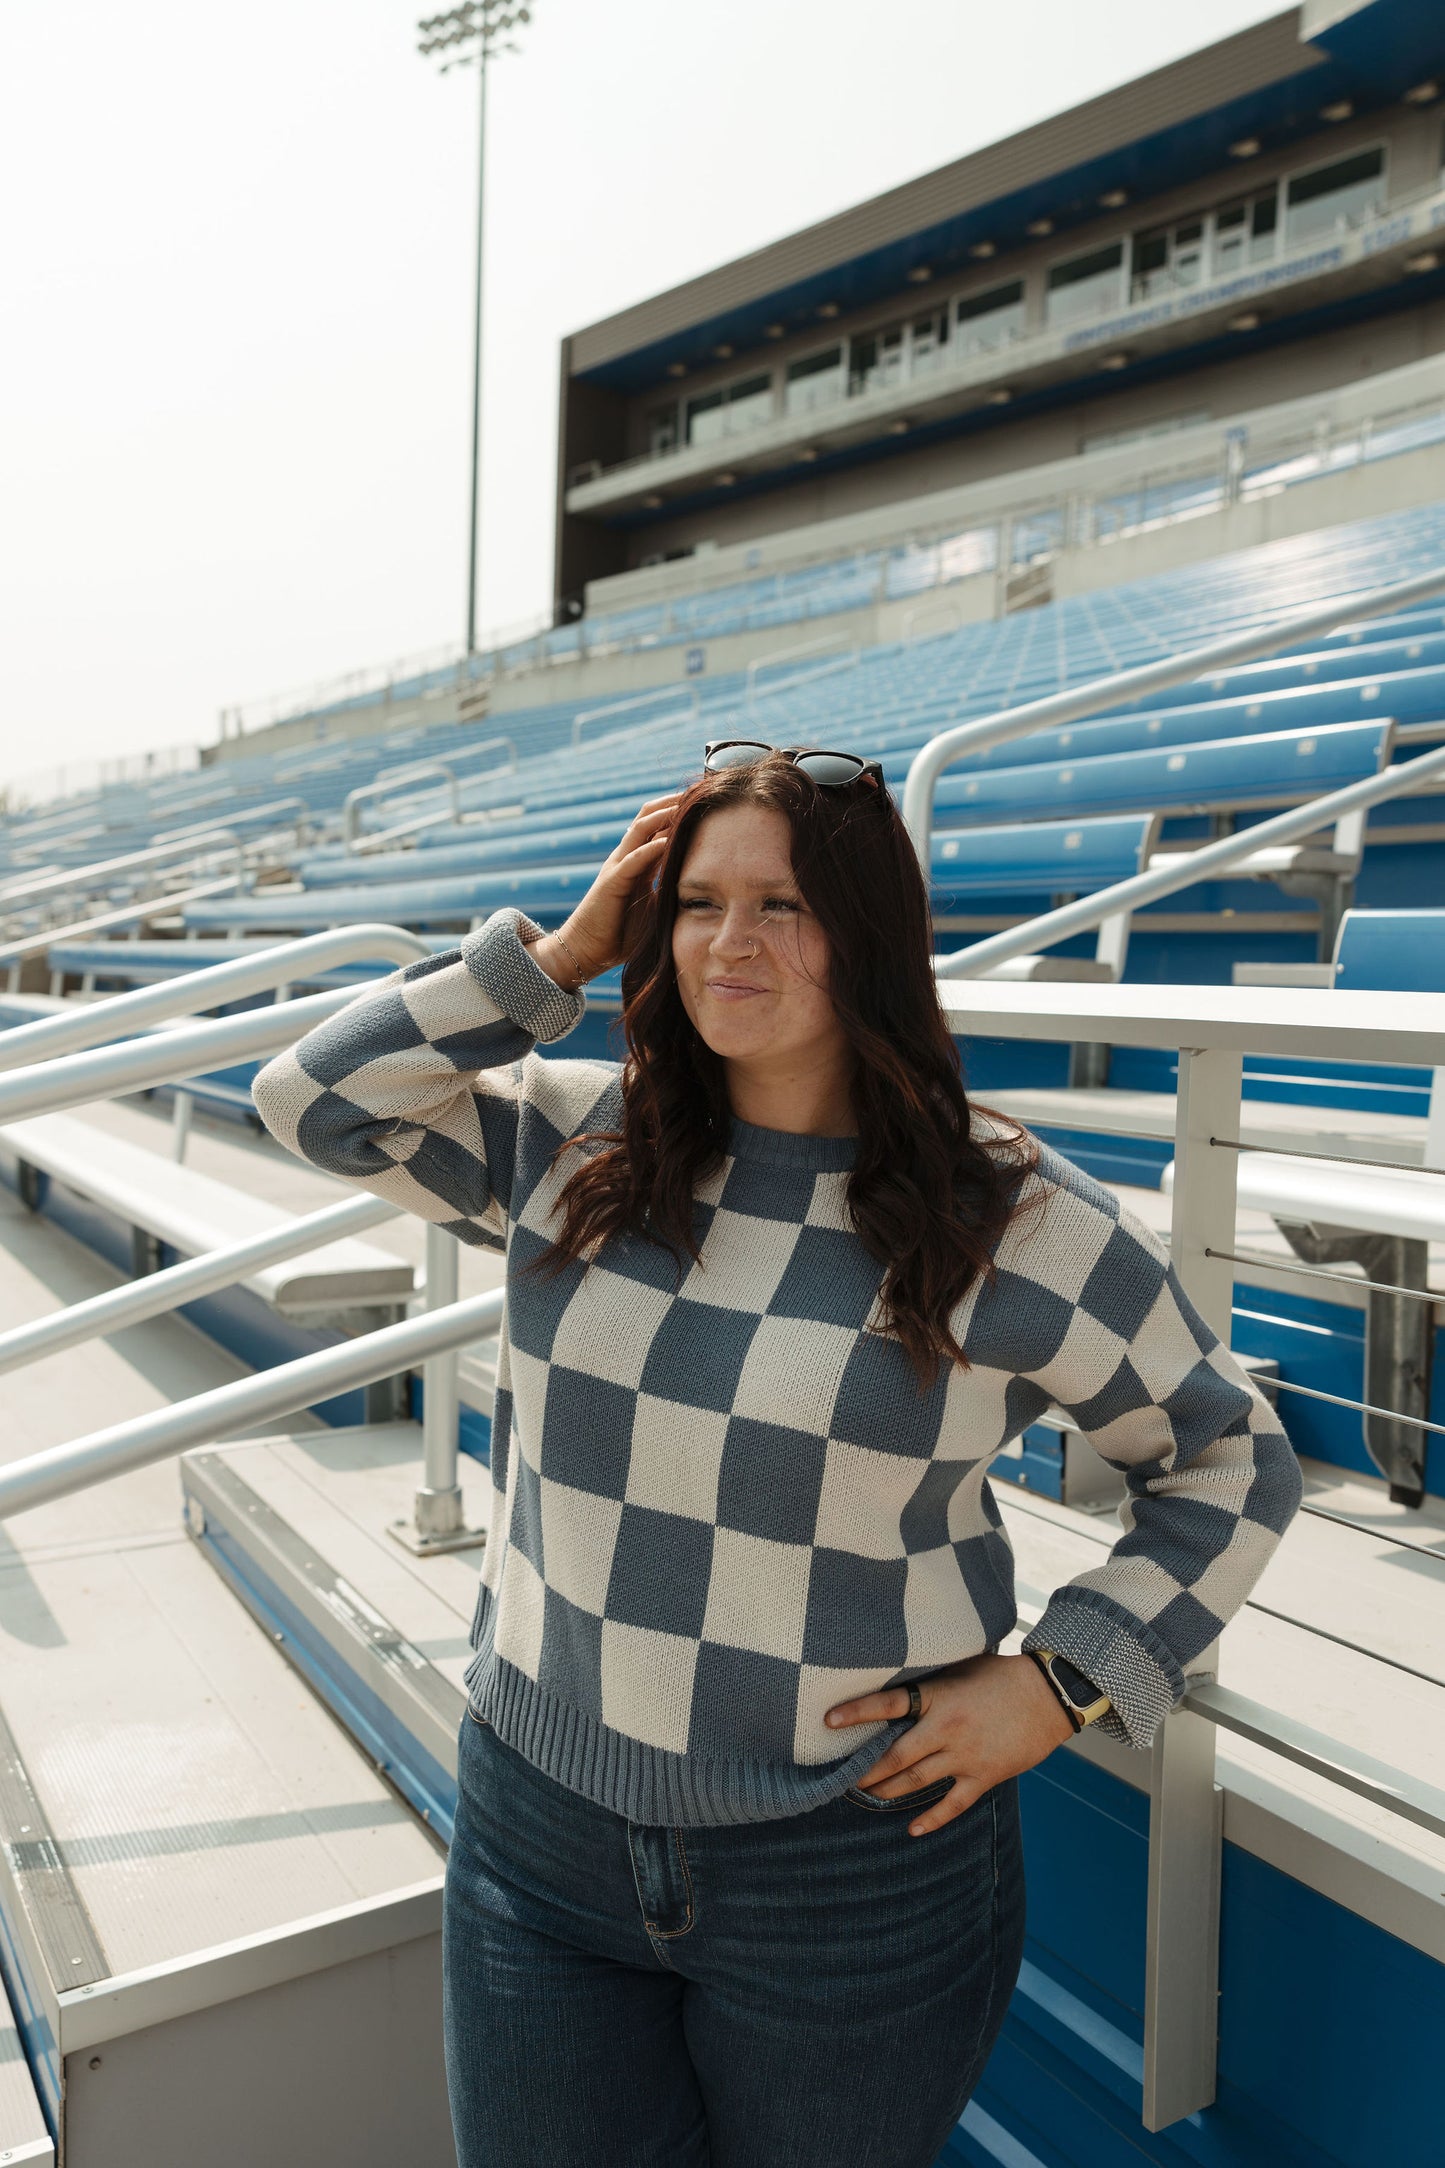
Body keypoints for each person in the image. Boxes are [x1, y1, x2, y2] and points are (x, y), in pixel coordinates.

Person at [252, 743, 1302, 2168]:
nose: (730, 942)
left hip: (849, 1870)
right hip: (539, 1837)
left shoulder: (1013, 1220)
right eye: (696, 902)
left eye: (784, 906)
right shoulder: (580, 1146)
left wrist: (1063, 1683)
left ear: (867, 938)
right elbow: (314, 1099)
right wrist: (558, 955)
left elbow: (1228, 1455)